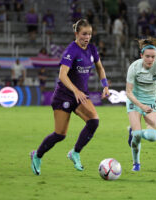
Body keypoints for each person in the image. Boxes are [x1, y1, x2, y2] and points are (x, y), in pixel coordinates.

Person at [30, 19, 110, 175]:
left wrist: (105, 85)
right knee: (60, 134)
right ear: (76, 34)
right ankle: (37, 156)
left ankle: (75, 152)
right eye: (84, 34)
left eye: (90, 34)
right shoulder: (71, 50)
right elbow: (62, 75)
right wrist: (75, 90)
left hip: (80, 95)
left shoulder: (92, 49)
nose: (87, 37)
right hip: (64, 96)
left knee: (94, 121)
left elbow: (100, 68)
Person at [126, 37, 156, 171]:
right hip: (134, 101)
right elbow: (128, 92)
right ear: (141, 55)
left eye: (153, 57)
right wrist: (141, 106)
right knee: (136, 137)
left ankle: (133, 131)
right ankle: (136, 163)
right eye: (147, 56)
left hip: (152, 102)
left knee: (153, 137)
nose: (150, 60)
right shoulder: (134, 67)